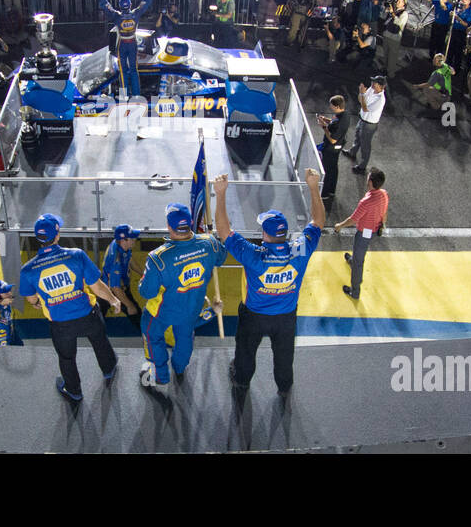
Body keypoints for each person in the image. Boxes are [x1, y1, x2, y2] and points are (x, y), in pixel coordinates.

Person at [213, 168, 325, 398]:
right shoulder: (300, 249)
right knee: (284, 356)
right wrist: (313, 187)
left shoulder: (254, 255)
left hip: (254, 316)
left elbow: (224, 231)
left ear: (264, 234)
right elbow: (318, 222)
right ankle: (284, 387)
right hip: (285, 317)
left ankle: (242, 381)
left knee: (245, 353)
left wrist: (220, 194)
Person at [17, 213, 122, 402]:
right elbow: (96, 285)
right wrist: (113, 300)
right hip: (88, 314)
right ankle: (109, 369)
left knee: (67, 358)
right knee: (100, 343)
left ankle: (74, 390)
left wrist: (42, 303)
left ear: (38, 238)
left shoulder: (27, 270)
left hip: (60, 323)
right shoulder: (76, 255)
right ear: (57, 235)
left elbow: (31, 299)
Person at [136, 204, 229, 388]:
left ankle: (160, 375)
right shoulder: (209, 243)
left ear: (169, 227)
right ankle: (179, 368)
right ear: (192, 223)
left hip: (161, 312)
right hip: (191, 309)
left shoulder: (158, 258)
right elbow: (221, 258)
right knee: (185, 338)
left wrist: (142, 281)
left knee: (152, 336)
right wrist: (211, 241)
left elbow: (147, 292)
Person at [93, 0, 155, 97]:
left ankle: (123, 96)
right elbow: (146, 1)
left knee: (123, 72)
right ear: (130, 4)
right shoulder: (136, 14)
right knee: (134, 70)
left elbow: (105, 4)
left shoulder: (116, 16)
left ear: (120, 5)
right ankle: (137, 95)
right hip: (132, 43)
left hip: (122, 44)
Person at [333, 167, 389, 300]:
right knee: (358, 254)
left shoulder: (366, 202)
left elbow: (353, 219)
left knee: (359, 262)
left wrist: (339, 225)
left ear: (370, 182)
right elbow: (385, 212)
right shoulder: (384, 194)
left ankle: (355, 291)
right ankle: (353, 260)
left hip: (364, 233)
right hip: (376, 229)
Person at [98, 224, 142, 317]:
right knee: (135, 312)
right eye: (132, 238)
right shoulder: (116, 258)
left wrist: (143, 274)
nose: (135, 240)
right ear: (123, 240)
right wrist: (129, 306)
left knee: (99, 316)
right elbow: (115, 288)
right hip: (112, 289)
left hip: (118, 285)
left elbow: (130, 260)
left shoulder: (123, 246)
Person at [345, 76, 386, 175]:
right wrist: (361, 93)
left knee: (365, 145)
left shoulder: (380, 99)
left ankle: (362, 166)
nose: (372, 84)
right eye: (372, 81)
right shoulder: (371, 90)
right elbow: (360, 100)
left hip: (369, 125)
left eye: (375, 83)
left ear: (381, 86)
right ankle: (352, 152)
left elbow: (365, 108)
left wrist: (362, 93)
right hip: (362, 119)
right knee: (357, 137)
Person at [317, 96, 346, 201]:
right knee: (333, 169)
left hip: (331, 148)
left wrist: (324, 126)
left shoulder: (340, 122)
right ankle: (332, 190)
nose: (330, 107)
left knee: (327, 170)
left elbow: (333, 139)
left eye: (331, 105)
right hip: (336, 147)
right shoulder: (344, 115)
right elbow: (333, 123)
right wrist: (327, 120)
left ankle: (324, 193)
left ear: (337, 106)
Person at [0, 280, 23, 346]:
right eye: (6, 293)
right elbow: (2, 350)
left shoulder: (3, 304)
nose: (10, 294)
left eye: (9, 290)